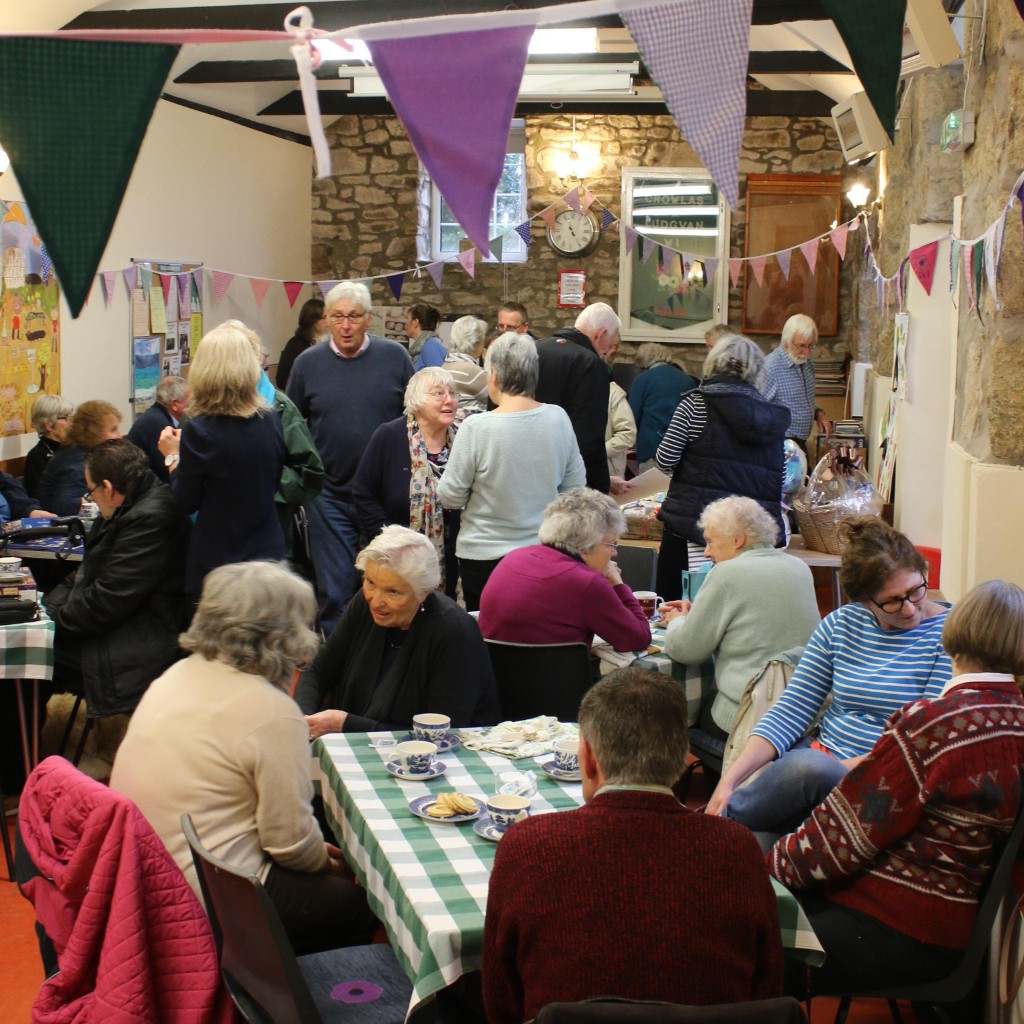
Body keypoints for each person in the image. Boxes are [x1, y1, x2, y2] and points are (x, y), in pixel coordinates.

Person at [482, 667, 784, 1024]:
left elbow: (500, 1002)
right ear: (681, 759)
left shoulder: (528, 847)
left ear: (588, 758)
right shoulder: (737, 849)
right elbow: (767, 989)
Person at [769, 579, 1024, 998]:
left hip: (892, 924)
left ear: (955, 635)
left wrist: (758, 873)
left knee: (735, 937)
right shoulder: (1014, 715)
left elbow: (842, 837)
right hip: (946, 928)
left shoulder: (935, 723)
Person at [110, 561, 378, 956]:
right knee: (361, 905)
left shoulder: (175, 675)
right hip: (211, 893)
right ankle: (303, 999)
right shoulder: (270, 710)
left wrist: (317, 854)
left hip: (143, 877)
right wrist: (335, 865)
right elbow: (288, 846)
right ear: (285, 636)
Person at [707, 517, 952, 846]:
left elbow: (918, 740)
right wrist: (730, 780)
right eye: (892, 601)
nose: (909, 609)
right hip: (818, 766)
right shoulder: (842, 624)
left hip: (882, 776)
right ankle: (720, 830)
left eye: (915, 591)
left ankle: (710, 828)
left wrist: (828, 769)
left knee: (807, 769)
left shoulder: (951, 635)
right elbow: (791, 710)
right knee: (750, 846)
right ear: (864, 603)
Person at [286, 280, 414, 633]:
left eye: (354, 317)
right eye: (337, 317)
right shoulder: (307, 364)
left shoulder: (395, 358)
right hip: (329, 495)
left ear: (369, 318)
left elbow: (416, 417)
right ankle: (342, 670)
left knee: (389, 585)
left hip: (383, 495)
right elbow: (291, 423)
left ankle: (387, 655)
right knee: (336, 589)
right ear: (325, 319)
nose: (345, 326)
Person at [296, 525, 499, 737]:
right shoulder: (364, 605)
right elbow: (318, 671)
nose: (376, 601)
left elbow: (442, 735)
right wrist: (302, 718)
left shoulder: (454, 634)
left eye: (393, 592)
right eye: (370, 582)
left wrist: (346, 725)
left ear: (423, 593)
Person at [437, 332, 586, 611]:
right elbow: (576, 490)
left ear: (493, 375)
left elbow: (449, 497)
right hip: (542, 552)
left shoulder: (476, 428)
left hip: (483, 558)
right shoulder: (558, 418)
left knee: (489, 644)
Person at [43, 439, 191, 718]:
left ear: (108, 488)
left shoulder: (151, 516)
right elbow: (85, 575)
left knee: (29, 666)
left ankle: (19, 756)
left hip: (144, 640)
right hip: (127, 625)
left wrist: (51, 628)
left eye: (90, 493)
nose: (91, 500)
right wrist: (45, 613)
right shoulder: (132, 504)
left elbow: (107, 600)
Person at [660, 496, 820, 739]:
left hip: (749, 718)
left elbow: (686, 649)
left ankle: (721, 777)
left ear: (738, 540)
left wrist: (676, 621)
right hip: (801, 715)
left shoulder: (726, 573)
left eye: (711, 542)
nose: (706, 552)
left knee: (679, 713)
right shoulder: (799, 567)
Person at [655, 334, 790, 601]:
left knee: (680, 609)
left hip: (693, 528)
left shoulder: (695, 404)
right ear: (757, 371)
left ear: (713, 364)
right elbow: (781, 479)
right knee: (737, 612)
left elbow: (665, 459)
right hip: (748, 538)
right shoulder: (772, 417)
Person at [157, 324, 286, 596]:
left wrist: (172, 455)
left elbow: (185, 500)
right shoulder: (271, 419)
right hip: (267, 554)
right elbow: (273, 484)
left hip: (220, 563)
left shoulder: (201, 429)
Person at [479, 488, 650, 653]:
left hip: (497, 678)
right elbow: (638, 639)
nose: (614, 552)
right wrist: (617, 583)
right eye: (611, 544)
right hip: (558, 679)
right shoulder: (586, 583)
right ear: (583, 547)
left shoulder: (513, 558)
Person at [352, 367, 461, 599]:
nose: (449, 400)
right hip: (395, 560)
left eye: (453, 393)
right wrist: (388, 539)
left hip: (454, 559)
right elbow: (363, 493)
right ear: (417, 402)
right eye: (439, 394)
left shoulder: (463, 440)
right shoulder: (389, 437)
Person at [226, 319, 324, 558]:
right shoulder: (198, 413)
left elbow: (308, 474)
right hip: (218, 539)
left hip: (269, 534)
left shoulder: (279, 408)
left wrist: (262, 477)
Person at [535, 302, 618, 494]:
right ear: (601, 334)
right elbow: (589, 435)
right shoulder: (591, 363)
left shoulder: (535, 349)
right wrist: (600, 485)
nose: (606, 352)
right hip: (570, 480)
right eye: (609, 344)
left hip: (531, 470)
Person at [37, 400, 123, 517]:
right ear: (92, 433)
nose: (120, 435)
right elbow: (64, 505)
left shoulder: (79, 452)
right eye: (113, 430)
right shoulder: (77, 461)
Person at [762, 313, 830, 457]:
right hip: (779, 447)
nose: (806, 352)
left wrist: (818, 414)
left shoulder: (806, 363)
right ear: (787, 342)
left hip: (800, 445)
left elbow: (801, 401)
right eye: (801, 346)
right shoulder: (770, 367)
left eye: (810, 346)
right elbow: (756, 410)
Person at [627, 343, 697, 472]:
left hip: (651, 448)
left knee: (650, 490)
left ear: (643, 361)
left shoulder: (642, 380)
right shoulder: (687, 380)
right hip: (681, 450)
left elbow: (631, 417)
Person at [126, 375, 190, 483]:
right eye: (190, 399)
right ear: (174, 404)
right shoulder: (161, 426)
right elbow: (170, 470)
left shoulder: (155, 416)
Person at [24, 393, 73, 498]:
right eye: (65, 418)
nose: (71, 423)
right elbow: (41, 498)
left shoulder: (73, 449)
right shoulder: (36, 457)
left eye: (70, 417)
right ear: (49, 424)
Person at [276, 297, 327, 392]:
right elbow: (281, 380)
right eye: (324, 317)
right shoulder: (295, 345)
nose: (329, 321)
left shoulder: (329, 342)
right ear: (313, 320)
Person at [443, 315, 488, 417]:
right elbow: (500, 397)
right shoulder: (472, 371)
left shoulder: (445, 365)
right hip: (468, 427)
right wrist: (489, 362)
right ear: (476, 343)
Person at [605, 380, 636, 481]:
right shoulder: (565, 390)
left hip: (608, 471)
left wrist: (599, 453)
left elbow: (627, 434)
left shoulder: (612, 392)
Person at [406, 301, 446, 370]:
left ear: (415, 322)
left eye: (407, 318)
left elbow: (439, 377)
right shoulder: (422, 346)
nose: (405, 323)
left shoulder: (432, 345)